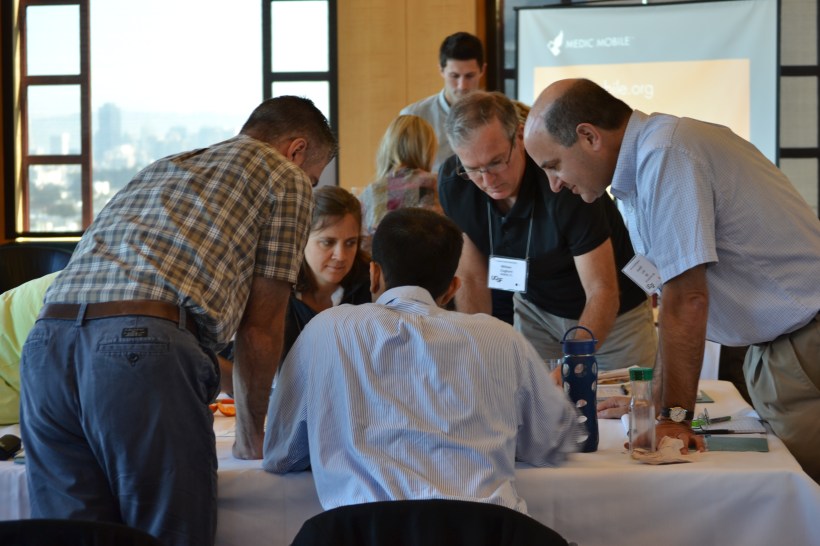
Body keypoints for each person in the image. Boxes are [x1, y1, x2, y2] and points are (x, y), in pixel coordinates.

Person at [19, 96, 337, 546]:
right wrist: (251, 435)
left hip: (46, 347)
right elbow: (261, 326)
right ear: (297, 149)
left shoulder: (164, 166)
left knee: (73, 539)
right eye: (314, 176)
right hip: (139, 349)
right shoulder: (285, 177)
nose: (309, 185)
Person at [524, 78, 820, 482]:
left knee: (802, 490)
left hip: (803, 339)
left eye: (553, 166)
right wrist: (651, 407)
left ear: (589, 136)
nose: (555, 184)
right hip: (784, 345)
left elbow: (687, 299)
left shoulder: (665, 154)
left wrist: (673, 420)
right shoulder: (641, 170)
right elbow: (670, 297)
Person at [262, 207, 584, 513]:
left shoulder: (327, 330)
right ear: (452, 288)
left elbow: (280, 454)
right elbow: (555, 440)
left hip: (363, 535)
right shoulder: (501, 338)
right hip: (484, 533)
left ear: (374, 275)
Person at [439, 90, 657, 371]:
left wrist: (572, 367)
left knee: (620, 408)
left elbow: (602, 290)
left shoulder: (563, 180)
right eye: (473, 168)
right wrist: (479, 354)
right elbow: (472, 277)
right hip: (537, 312)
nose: (487, 180)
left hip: (614, 319)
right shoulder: (455, 185)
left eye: (496, 162)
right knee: (534, 405)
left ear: (518, 136)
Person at [285, 185, 371, 356]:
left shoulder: (371, 288)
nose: (340, 256)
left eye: (350, 243)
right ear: (301, 238)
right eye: (327, 242)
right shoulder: (278, 289)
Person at [400, 31, 486, 171]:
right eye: (454, 76)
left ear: (482, 70)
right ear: (441, 70)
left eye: (469, 76)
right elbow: (399, 180)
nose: (462, 85)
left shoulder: (498, 114)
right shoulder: (413, 117)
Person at [358, 114, 443, 252]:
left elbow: (363, 245)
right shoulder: (438, 185)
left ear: (388, 147)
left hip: (383, 270)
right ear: (428, 150)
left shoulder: (370, 193)